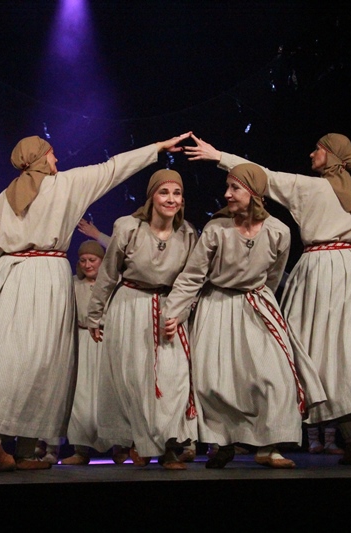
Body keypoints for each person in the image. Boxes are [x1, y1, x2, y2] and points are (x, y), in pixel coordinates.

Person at [0, 132, 192, 472]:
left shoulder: (5, 197)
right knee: (45, 362)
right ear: (40, 157)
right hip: (47, 275)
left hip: (6, 276)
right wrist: (157, 148)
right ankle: (19, 446)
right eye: (52, 154)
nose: (57, 160)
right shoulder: (66, 184)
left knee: (7, 356)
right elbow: (113, 168)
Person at [185, 132, 351, 466]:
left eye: (318, 149)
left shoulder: (311, 187)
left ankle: (322, 437)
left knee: (307, 356)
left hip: (320, 270)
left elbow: (262, 177)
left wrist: (218, 156)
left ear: (332, 156)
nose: (312, 154)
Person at [162, 163, 327, 469]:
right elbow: (193, 276)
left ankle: (269, 446)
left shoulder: (279, 231)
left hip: (256, 304)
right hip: (218, 305)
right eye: (228, 187)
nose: (227, 194)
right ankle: (224, 443)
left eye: (234, 188)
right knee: (217, 382)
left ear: (254, 193)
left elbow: (273, 276)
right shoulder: (217, 229)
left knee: (274, 376)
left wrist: (259, 300)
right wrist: (172, 312)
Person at [87, 169, 198, 470]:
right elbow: (108, 273)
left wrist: (180, 312)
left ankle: (169, 442)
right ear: (151, 197)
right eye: (164, 192)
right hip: (131, 305)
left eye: (177, 193)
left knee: (173, 378)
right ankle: (147, 442)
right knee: (136, 379)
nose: (171, 199)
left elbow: (192, 280)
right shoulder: (129, 227)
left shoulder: (187, 233)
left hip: (169, 308)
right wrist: (95, 315)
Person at [59, 239, 132, 465]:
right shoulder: (73, 284)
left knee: (112, 394)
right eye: (83, 260)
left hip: (108, 340)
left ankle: (121, 446)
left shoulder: (115, 284)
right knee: (81, 396)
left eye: (92, 260)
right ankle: (81, 449)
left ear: (103, 261)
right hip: (82, 342)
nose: (87, 265)